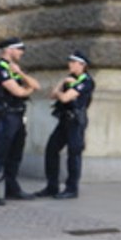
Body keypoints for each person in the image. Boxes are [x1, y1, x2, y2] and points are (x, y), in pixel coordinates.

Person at [0, 37, 41, 205]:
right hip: (4, 117)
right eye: (19, 49)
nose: (22, 53)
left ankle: (12, 188)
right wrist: (26, 88)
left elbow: (36, 86)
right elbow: (18, 92)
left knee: (15, 155)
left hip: (17, 116)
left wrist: (21, 74)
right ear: (9, 50)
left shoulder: (14, 70)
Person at [34, 51, 94, 200]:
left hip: (76, 121)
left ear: (83, 65)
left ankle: (72, 189)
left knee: (73, 155)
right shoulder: (70, 80)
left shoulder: (86, 81)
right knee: (51, 149)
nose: (70, 65)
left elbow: (66, 98)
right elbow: (53, 94)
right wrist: (62, 82)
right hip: (64, 120)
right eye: (70, 62)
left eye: (74, 62)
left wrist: (61, 92)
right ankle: (52, 186)